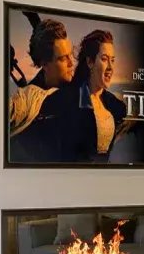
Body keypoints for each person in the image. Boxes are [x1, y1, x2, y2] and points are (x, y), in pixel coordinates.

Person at [40, 29, 129, 162]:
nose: (110, 67)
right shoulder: (65, 99)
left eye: (113, 60)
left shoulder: (115, 105)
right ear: (90, 62)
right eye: (104, 59)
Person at [7, 17, 78, 157]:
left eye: (71, 55)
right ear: (44, 63)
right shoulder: (30, 98)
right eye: (63, 58)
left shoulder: (79, 87)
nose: (71, 63)